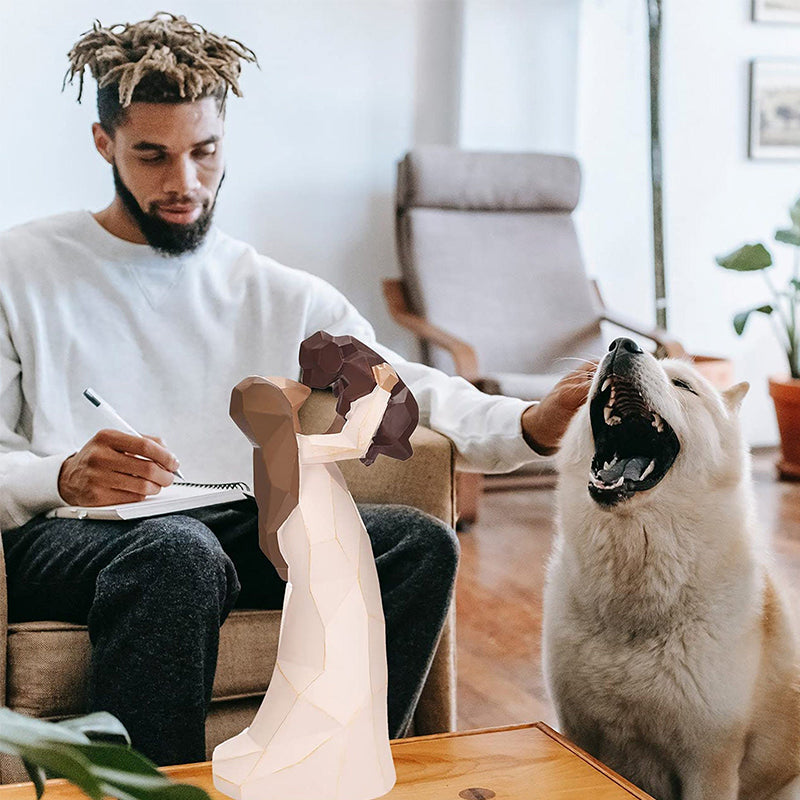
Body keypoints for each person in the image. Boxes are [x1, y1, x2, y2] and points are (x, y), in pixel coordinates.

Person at [0, 13, 592, 766]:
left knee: (415, 545)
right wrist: (62, 474)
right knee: (177, 552)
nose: (184, 183)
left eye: (204, 152)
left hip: (225, 527)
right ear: (103, 142)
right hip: (70, 534)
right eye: (152, 155)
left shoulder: (276, 292)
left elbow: (405, 388)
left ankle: (334, 775)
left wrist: (533, 422)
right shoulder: (21, 269)